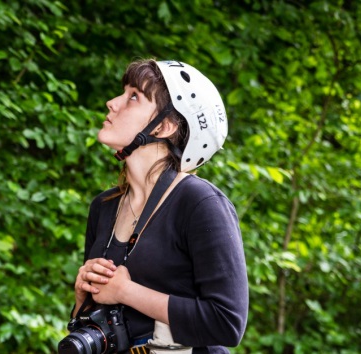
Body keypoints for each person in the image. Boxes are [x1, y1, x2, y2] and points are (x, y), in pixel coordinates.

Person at [70, 59, 248, 354]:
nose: (112, 103)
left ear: (165, 126)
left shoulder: (200, 204)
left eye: (134, 96)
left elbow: (227, 322)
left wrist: (126, 291)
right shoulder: (103, 207)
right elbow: (95, 327)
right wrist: (82, 298)